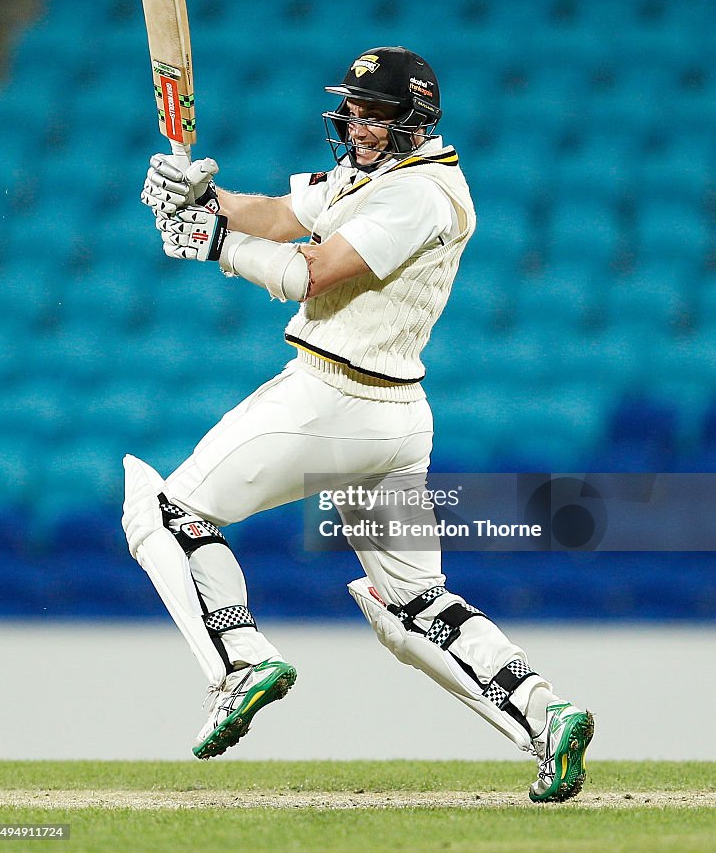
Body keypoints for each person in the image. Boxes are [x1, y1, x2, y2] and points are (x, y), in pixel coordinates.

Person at [124, 46, 594, 802]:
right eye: (354, 108)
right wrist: (204, 197)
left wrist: (215, 244)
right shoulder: (374, 173)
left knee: (164, 513)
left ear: (415, 117)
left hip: (333, 400)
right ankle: (548, 717)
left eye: (374, 113)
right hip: (395, 419)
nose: (357, 123)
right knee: (410, 607)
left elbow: (308, 271)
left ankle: (240, 659)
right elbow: (281, 215)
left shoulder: (421, 196)